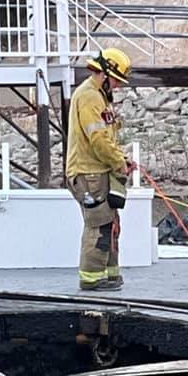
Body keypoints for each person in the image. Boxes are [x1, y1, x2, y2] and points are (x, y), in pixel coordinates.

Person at [66, 47, 133, 291]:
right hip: (88, 174)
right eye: (116, 80)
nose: (117, 86)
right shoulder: (89, 96)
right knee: (99, 225)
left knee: (111, 223)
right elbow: (99, 140)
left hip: (98, 172)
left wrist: (121, 159)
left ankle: (109, 274)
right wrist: (119, 163)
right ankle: (92, 278)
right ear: (104, 74)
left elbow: (107, 138)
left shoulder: (98, 97)